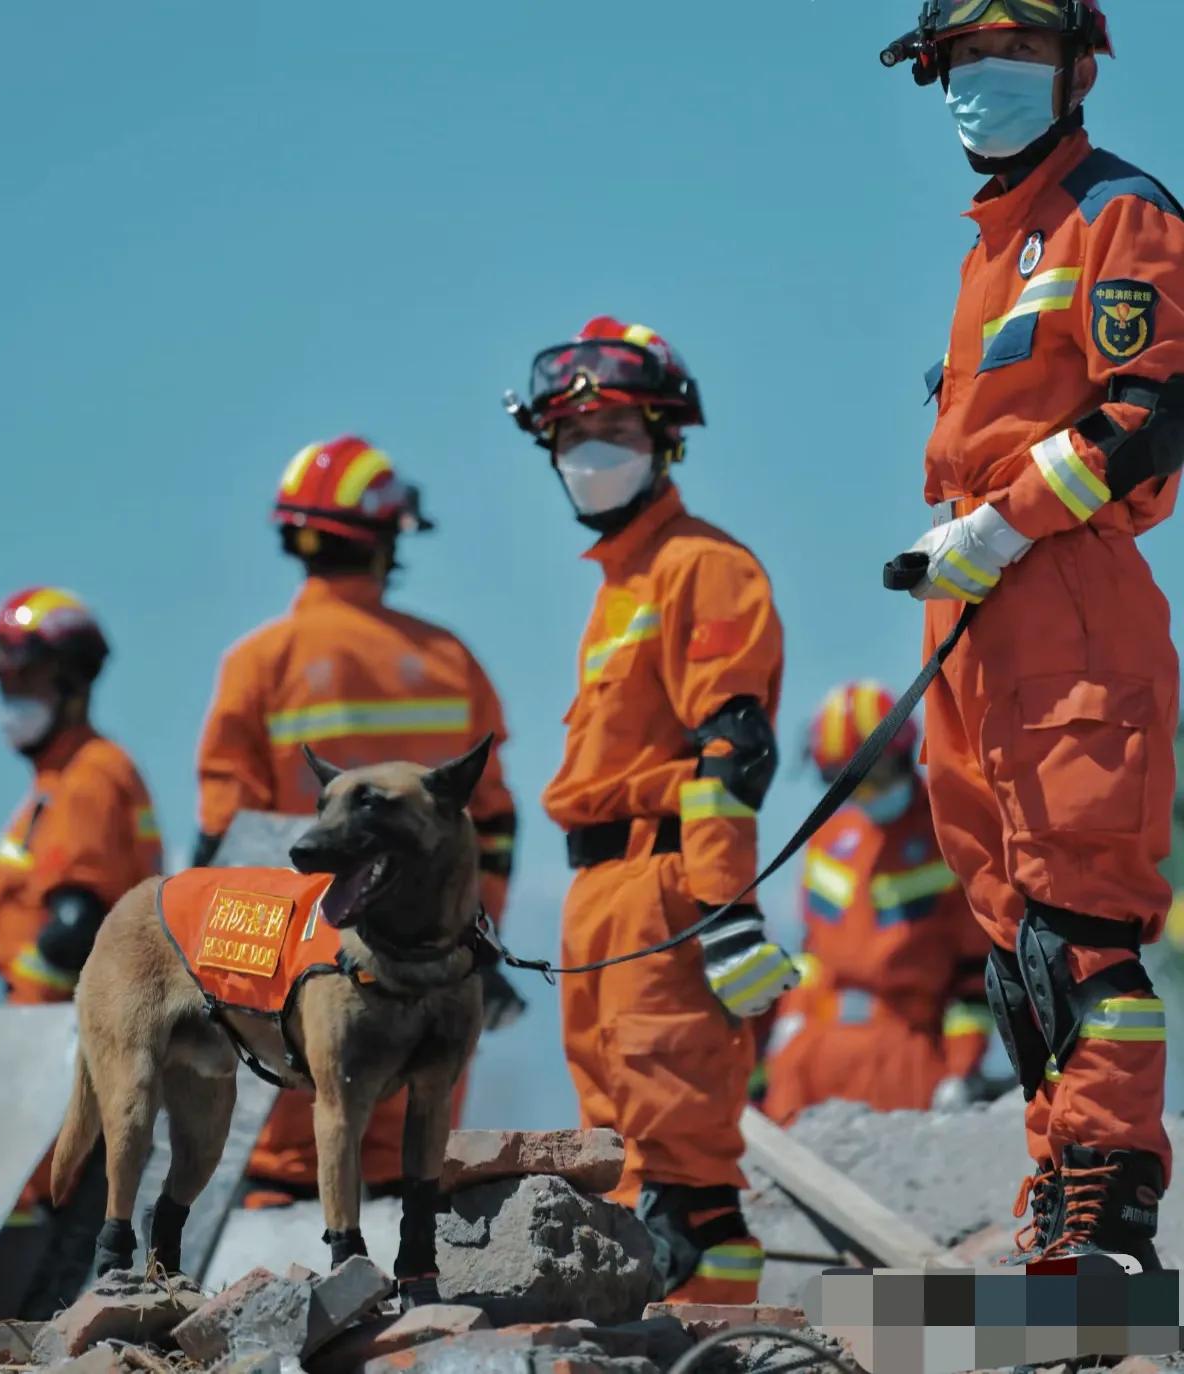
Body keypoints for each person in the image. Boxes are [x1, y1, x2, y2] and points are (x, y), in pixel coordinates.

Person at [883, 0, 1184, 1268]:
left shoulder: (1120, 212)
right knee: (1008, 938)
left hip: (1060, 592)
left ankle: (1111, 1221)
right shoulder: (992, 245)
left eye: (1011, 57)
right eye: (960, 61)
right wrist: (965, 550)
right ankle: (1055, 1209)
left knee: (1080, 924)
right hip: (973, 613)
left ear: (1075, 72)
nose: (981, 81)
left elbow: (1150, 413)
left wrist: (999, 528)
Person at [506, 316, 797, 1303]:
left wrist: (726, 909)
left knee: (683, 1174)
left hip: (666, 889)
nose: (591, 458)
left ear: (665, 440)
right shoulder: (619, 583)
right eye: (572, 440)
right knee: (624, 1161)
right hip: (601, 896)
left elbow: (731, 750)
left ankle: (725, 1343)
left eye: (617, 435)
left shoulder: (699, 566)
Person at [195, 435, 521, 1202]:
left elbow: (224, 839)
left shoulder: (257, 664)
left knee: (291, 1163)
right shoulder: (450, 659)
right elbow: (494, 823)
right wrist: (477, 935)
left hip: (294, 967)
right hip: (431, 961)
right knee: (414, 1152)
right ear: (387, 539)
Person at [0, 586, 162, 1315]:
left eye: (22, 675)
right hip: (50, 1052)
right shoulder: (59, 781)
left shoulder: (89, 778)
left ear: (71, 680)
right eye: (1, 677)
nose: (7, 693)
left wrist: (14, 1046)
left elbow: (74, 926)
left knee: (23, 1281)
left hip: (57, 1061)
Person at [762, 681, 993, 1124]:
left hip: (903, 1055)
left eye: (876, 774)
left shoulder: (951, 834)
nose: (865, 792)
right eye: (846, 779)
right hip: (812, 1050)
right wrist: (789, 1024)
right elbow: (813, 951)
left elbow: (973, 979)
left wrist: (963, 1068)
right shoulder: (827, 839)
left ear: (905, 756)